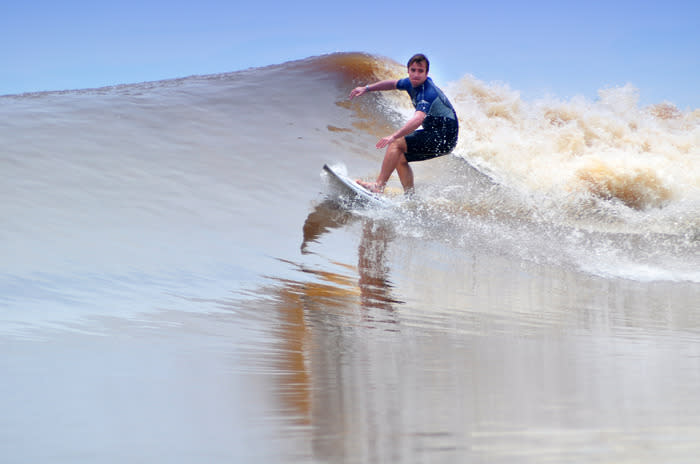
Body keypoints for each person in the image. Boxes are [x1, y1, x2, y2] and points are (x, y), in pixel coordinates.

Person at [349, 53, 459, 193]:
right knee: (399, 157)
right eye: (413, 70)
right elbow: (392, 84)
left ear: (426, 73)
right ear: (408, 71)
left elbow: (418, 119)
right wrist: (367, 88)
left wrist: (394, 136)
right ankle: (410, 197)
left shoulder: (427, 93)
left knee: (396, 143)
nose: (416, 74)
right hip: (437, 134)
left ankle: (378, 186)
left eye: (420, 71)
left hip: (445, 135)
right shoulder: (409, 83)